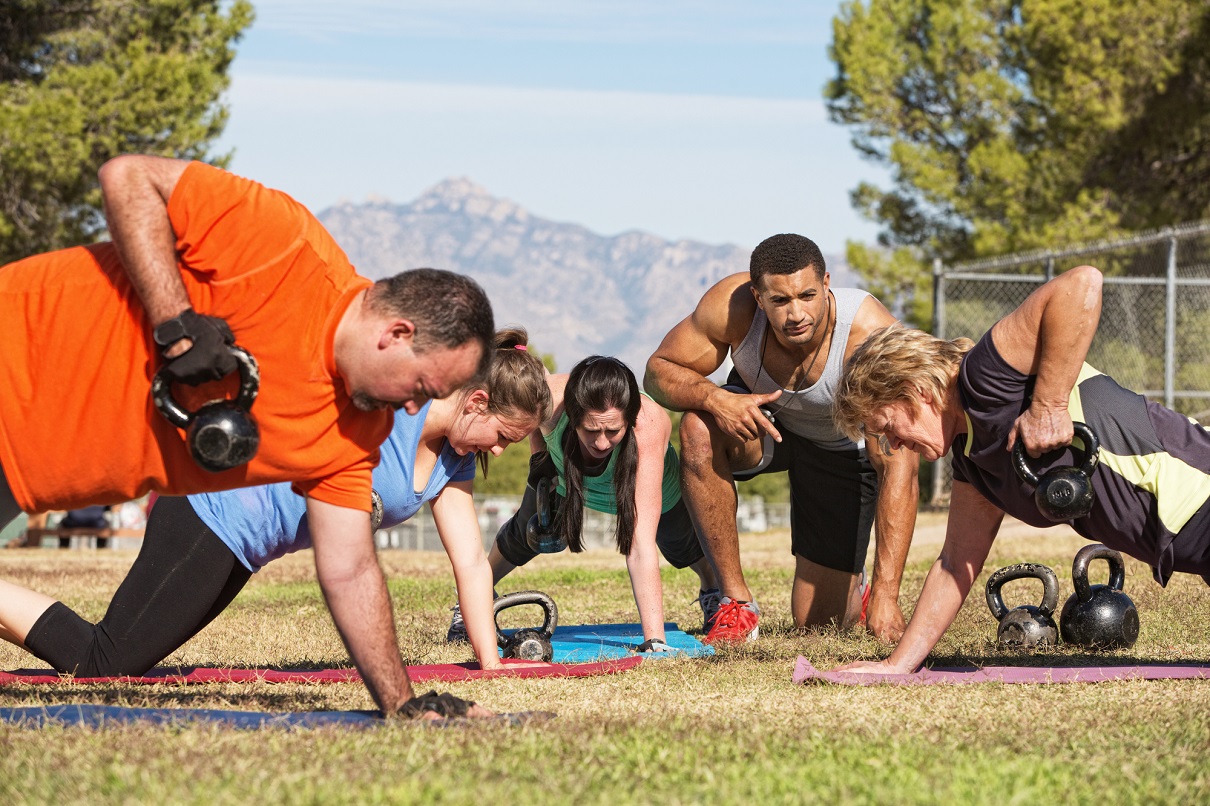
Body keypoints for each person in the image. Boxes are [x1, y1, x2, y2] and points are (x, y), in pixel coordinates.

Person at [0, 155, 494, 718]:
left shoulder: (359, 428)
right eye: (421, 386)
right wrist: (175, 325)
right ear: (396, 334)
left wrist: (401, 704)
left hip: (26, 468)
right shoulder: (286, 246)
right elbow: (129, 176)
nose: (413, 407)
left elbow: (350, 567)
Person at [0, 329, 551, 680]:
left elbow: (472, 563)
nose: (498, 450)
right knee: (105, 663)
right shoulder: (388, 405)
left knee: (122, 658)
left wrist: (491, 664)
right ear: (476, 400)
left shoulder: (453, 464)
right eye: (501, 435)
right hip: (210, 511)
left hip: (244, 548)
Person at [829, 264, 1210, 674]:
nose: (895, 446)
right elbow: (955, 564)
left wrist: (1048, 405)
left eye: (888, 428)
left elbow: (1081, 283)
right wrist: (897, 666)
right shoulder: (973, 461)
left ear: (916, 390)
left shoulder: (986, 377)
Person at [644, 233, 920, 644]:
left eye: (807, 296)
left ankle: (858, 588)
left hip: (840, 448)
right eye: (779, 301)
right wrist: (715, 397)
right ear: (757, 296)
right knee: (698, 427)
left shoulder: (869, 335)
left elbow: (901, 465)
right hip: (764, 423)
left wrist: (887, 594)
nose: (796, 314)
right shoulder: (733, 305)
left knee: (818, 626)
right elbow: (658, 370)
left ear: (827, 283)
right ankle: (735, 604)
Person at [448, 355, 719, 651]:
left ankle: (712, 589)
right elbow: (525, 406)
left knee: (687, 549)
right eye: (591, 430)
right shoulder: (551, 400)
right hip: (568, 480)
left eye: (613, 431)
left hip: (647, 494)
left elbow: (640, 546)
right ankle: (473, 600)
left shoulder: (648, 424)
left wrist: (654, 640)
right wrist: (540, 459)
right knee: (523, 534)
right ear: (574, 416)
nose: (602, 443)